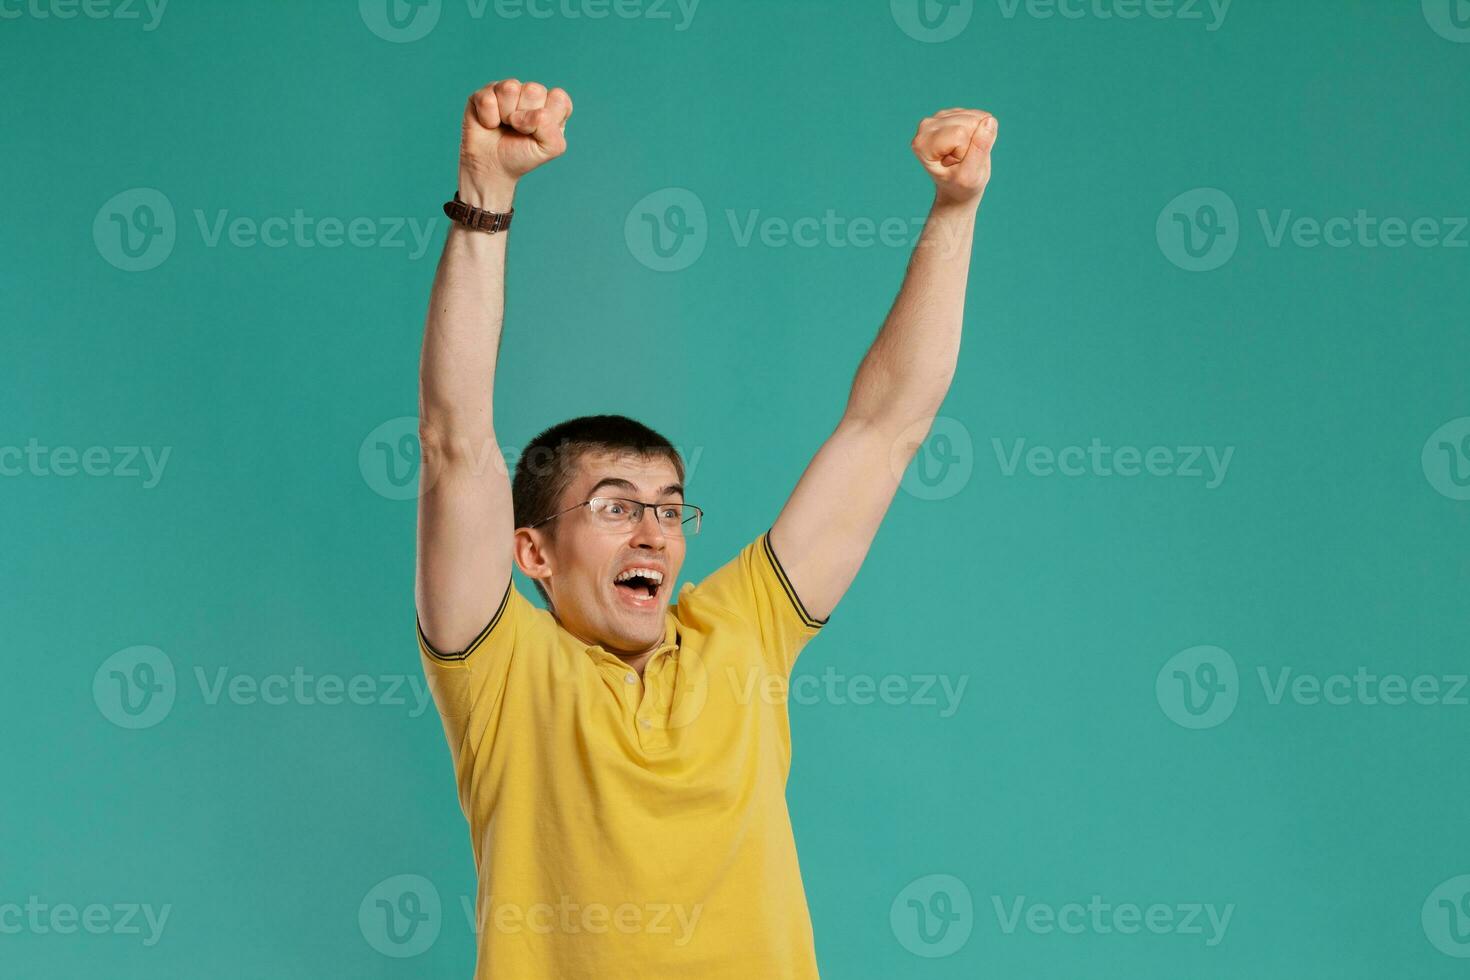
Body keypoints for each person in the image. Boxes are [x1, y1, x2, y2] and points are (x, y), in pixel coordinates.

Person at [414, 77, 997, 979]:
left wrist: (954, 211)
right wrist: (487, 194)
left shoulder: (743, 635)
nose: (653, 534)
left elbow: (887, 429)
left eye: (667, 508)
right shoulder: (503, 679)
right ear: (531, 550)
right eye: (614, 507)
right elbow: (455, 443)